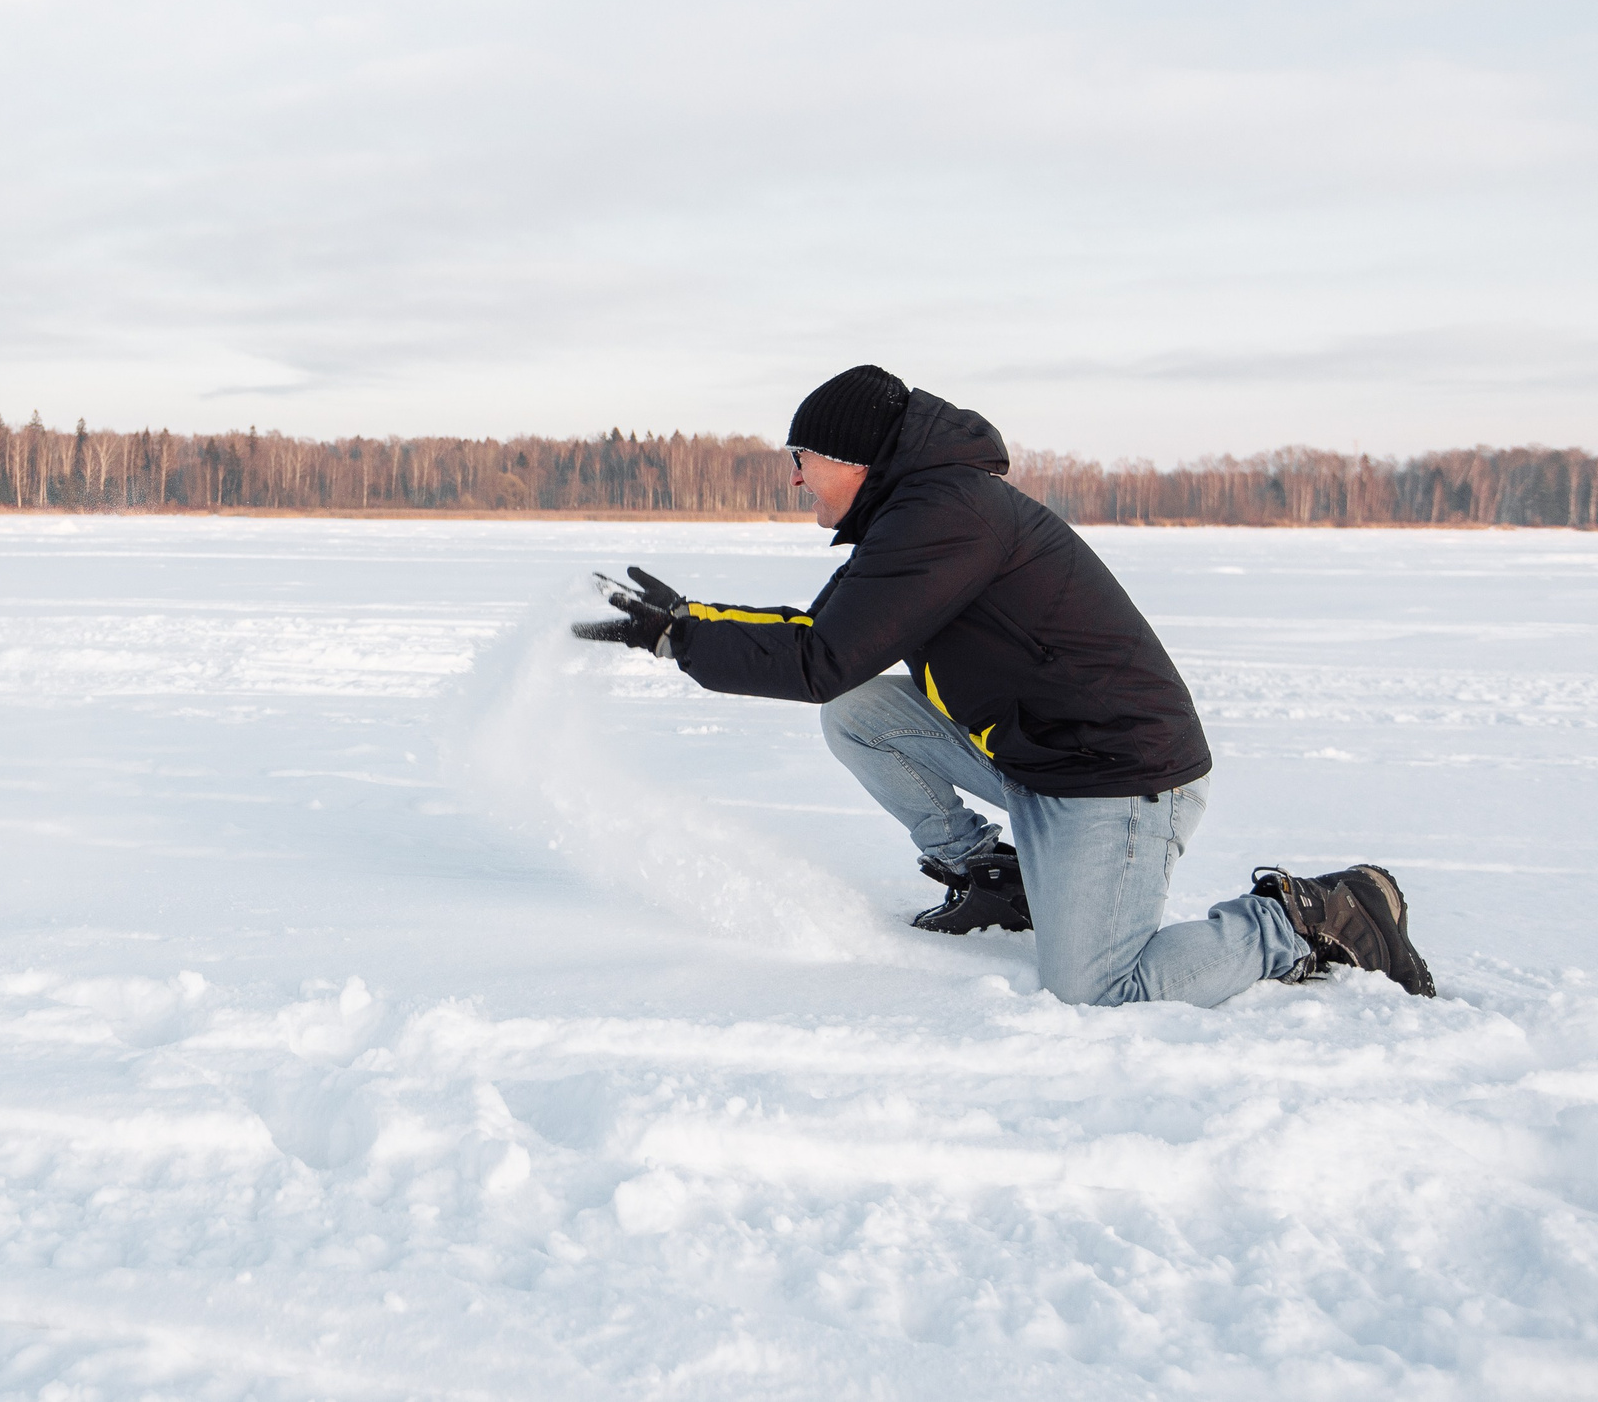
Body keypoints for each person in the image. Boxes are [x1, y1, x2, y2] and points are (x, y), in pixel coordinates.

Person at [574, 365, 1434, 1006]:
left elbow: (814, 660)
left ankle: (1312, 917)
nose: (794, 477)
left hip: (1119, 778)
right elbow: (825, 643)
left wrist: (678, 637)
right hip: (1038, 759)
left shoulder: (948, 516)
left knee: (1100, 990)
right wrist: (691, 621)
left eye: (801, 458)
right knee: (860, 713)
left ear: (851, 456)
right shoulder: (916, 514)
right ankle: (996, 874)